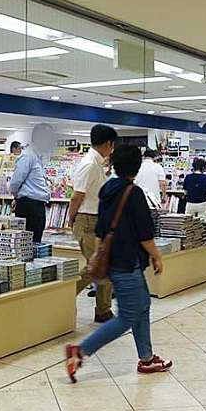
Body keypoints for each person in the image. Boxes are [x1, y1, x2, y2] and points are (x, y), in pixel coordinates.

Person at [65, 145, 171, 382]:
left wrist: (102, 254)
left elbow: (102, 229)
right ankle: (80, 351)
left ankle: (146, 358)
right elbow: (145, 235)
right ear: (137, 166)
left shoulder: (107, 190)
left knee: (142, 306)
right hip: (128, 263)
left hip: (115, 260)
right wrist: (158, 256)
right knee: (128, 317)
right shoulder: (134, 194)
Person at [69, 124, 117, 323]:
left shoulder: (98, 163)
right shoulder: (89, 164)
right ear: (108, 143)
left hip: (96, 219)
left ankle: (103, 310)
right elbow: (76, 196)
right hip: (87, 220)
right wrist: (72, 218)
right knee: (96, 266)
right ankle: (63, 293)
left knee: (103, 265)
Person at [10, 123, 54, 242]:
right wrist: (16, 196)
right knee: (29, 242)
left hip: (36, 204)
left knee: (35, 241)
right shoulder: (28, 156)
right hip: (29, 205)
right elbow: (16, 181)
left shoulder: (37, 156)